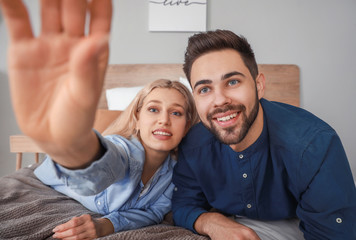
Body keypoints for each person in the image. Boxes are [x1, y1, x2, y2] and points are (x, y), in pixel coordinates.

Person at [0, 0, 199, 239]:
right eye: (153, 110)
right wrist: (73, 146)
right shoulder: (123, 150)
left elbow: (154, 212)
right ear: (136, 118)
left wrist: (106, 225)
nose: (164, 120)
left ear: (187, 125)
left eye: (176, 113)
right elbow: (101, 169)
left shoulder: (175, 173)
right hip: (46, 176)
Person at [171, 29, 356, 240]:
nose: (219, 100)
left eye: (232, 82)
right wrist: (209, 222)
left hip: (301, 221)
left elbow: (333, 233)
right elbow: (183, 203)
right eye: (204, 89)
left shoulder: (315, 145)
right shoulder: (193, 144)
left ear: (259, 86)